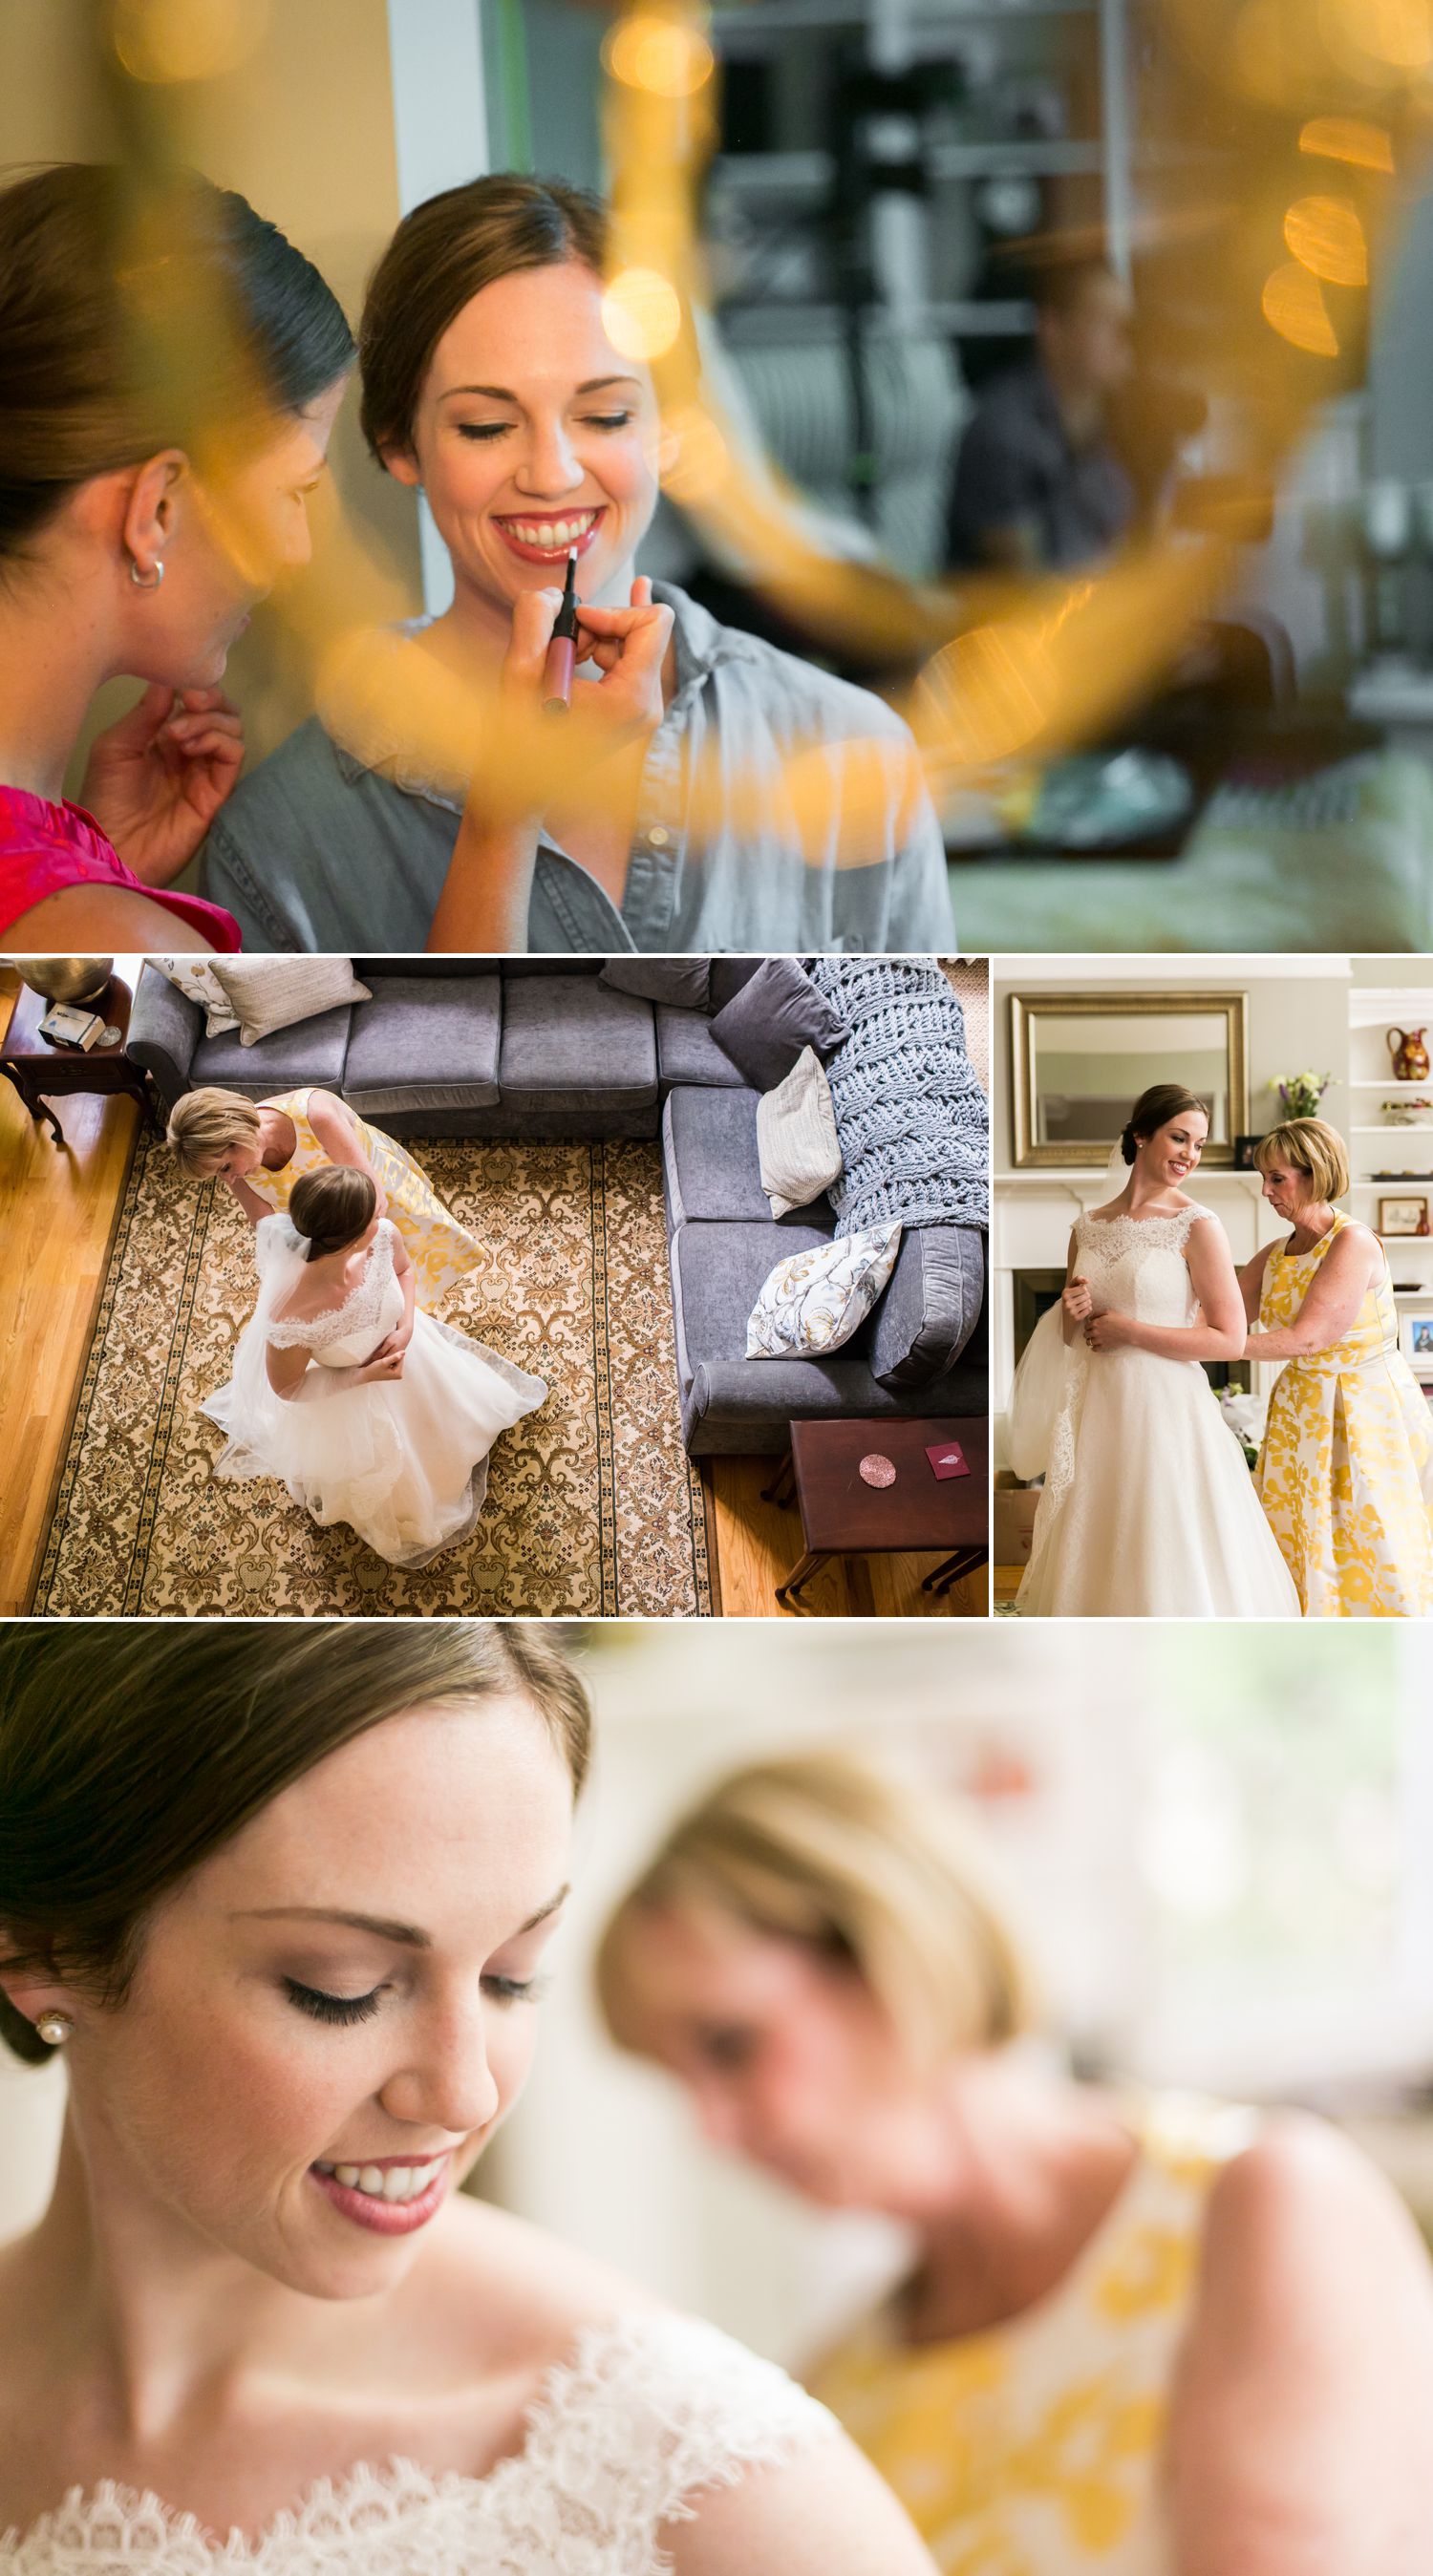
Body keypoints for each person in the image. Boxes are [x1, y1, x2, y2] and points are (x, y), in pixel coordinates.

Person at [0, 1627, 933, 2574]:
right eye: (344, 1987)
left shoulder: (717, 2496)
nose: (465, 2092)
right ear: (36, 1950)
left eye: (511, 1977)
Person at [597, 1747, 1433, 2576]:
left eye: (730, 2045)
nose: (711, 2129)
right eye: (681, 2079)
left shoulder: (1266, 2205)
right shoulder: (833, 2389)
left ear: (886, 1949)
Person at [199, 174, 955, 955]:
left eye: (605, 415)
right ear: (399, 443)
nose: (552, 472)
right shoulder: (280, 842)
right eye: (488, 426)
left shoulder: (852, 754)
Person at [0, 163, 353, 952]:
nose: (298, 554)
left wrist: (100, 874)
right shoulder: (118, 956)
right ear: (156, 509)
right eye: (297, 492)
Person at [1011, 1082, 1300, 1616]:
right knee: (1097, 1540)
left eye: (1198, 1143)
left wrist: (1132, 1332)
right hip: (1098, 1410)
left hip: (1166, 1412)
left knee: (1166, 1542)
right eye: (1179, 1138)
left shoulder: (1198, 1226)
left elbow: (1229, 1339)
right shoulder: (1086, 1228)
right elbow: (1075, 1339)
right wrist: (1070, 1315)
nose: (1190, 1154)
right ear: (1142, 1135)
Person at [201, 1168, 542, 1567]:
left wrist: (408, 1326)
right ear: (351, 1235)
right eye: (371, 1216)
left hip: (418, 1359)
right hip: (353, 1398)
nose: (380, 1217)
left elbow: (404, 1270)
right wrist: (365, 1375)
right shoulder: (290, 1313)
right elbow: (288, 1389)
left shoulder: (383, 1236)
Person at [1238, 1118, 1433, 1616]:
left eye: (1276, 1178)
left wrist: (1219, 1347)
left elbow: (1307, 1339)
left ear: (1315, 1174)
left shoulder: (1353, 1243)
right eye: (1263, 1178)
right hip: (1302, 1411)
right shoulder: (1274, 1254)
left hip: (1363, 1409)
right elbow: (1214, 1318)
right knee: (1304, 1531)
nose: (1265, 1191)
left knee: (1369, 1532)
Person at [167, 1085, 487, 1310]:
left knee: (414, 1261)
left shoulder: (315, 1115)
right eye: (218, 1175)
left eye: (224, 1167)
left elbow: (374, 1199)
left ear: (236, 1138)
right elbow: (268, 1230)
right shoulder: (240, 1172)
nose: (228, 1180)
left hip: (378, 1197)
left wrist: (348, 1263)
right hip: (329, 1228)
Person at [945, 257, 1135, 577]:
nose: (1125, 338)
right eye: (1105, 321)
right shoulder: (1003, 430)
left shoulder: (1108, 421)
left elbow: (1119, 541)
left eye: (1127, 323)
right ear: (1053, 330)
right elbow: (1027, 585)